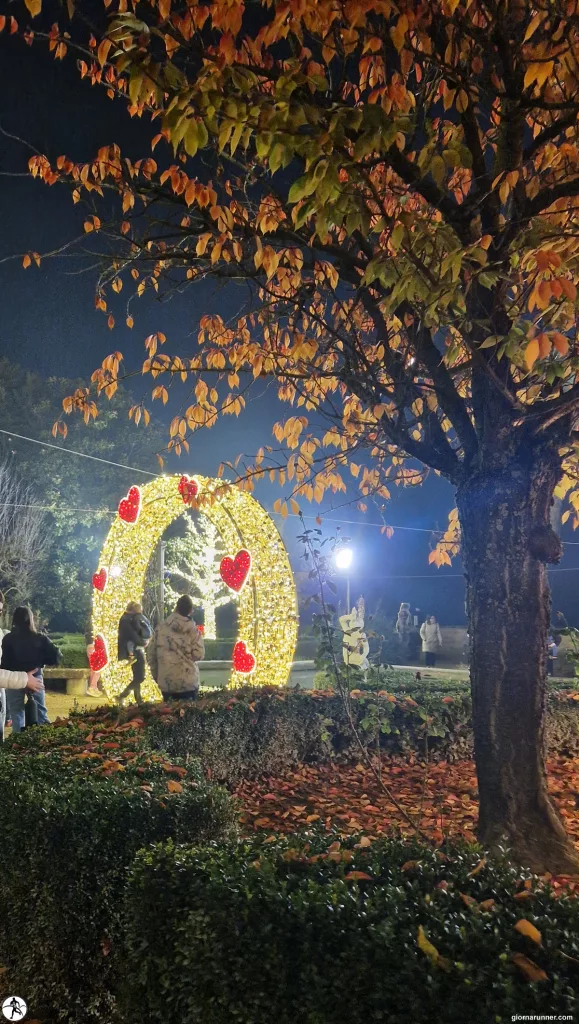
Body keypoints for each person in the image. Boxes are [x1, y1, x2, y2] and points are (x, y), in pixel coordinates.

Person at [1, 606, 61, 733]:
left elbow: (4, 662)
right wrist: (42, 663)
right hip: (35, 677)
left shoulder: (8, 639)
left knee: (17, 714)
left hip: (14, 679)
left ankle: (19, 743)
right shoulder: (40, 638)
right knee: (41, 712)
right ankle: (44, 739)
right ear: (31, 619)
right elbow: (56, 655)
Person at [147, 594, 205, 700]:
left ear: (176, 608)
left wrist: (158, 676)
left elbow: (151, 656)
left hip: (167, 683)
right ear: (190, 611)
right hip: (188, 683)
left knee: (168, 715)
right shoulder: (193, 631)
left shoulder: (161, 629)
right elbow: (199, 654)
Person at [117, 601, 152, 706]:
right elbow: (132, 635)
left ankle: (138, 699)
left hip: (134, 650)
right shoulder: (126, 620)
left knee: (137, 676)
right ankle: (122, 695)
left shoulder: (128, 618)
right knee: (140, 677)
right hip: (135, 651)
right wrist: (143, 642)